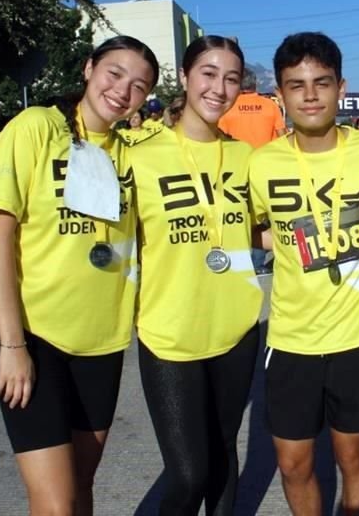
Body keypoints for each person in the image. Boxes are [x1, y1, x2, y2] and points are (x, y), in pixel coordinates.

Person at [0, 35, 159, 515]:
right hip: (36, 338)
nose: (123, 90)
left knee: (81, 487)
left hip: (102, 344)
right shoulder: (36, 127)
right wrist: (12, 346)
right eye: (115, 73)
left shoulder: (133, 152)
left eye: (139, 86)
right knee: (55, 503)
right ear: (88, 68)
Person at [250, 32, 359, 515]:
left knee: (354, 457)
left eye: (321, 83)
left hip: (357, 337)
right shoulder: (262, 163)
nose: (310, 95)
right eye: (297, 85)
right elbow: (250, 233)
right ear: (281, 95)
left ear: (341, 88)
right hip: (291, 340)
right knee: (293, 464)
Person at [130, 35, 262, 515]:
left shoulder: (247, 157)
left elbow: (263, 234)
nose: (219, 88)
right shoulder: (138, 154)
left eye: (231, 78)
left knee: (224, 453)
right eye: (208, 73)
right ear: (185, 78)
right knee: (188, 473)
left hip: (236, 327)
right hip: (169, 333)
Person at [218, 67, 288, 147]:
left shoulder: (227, 107)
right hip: (265, 157)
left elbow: (219, 136)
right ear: (255, 84)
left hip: (237, 157)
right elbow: (282, 136)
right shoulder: (271, 105)